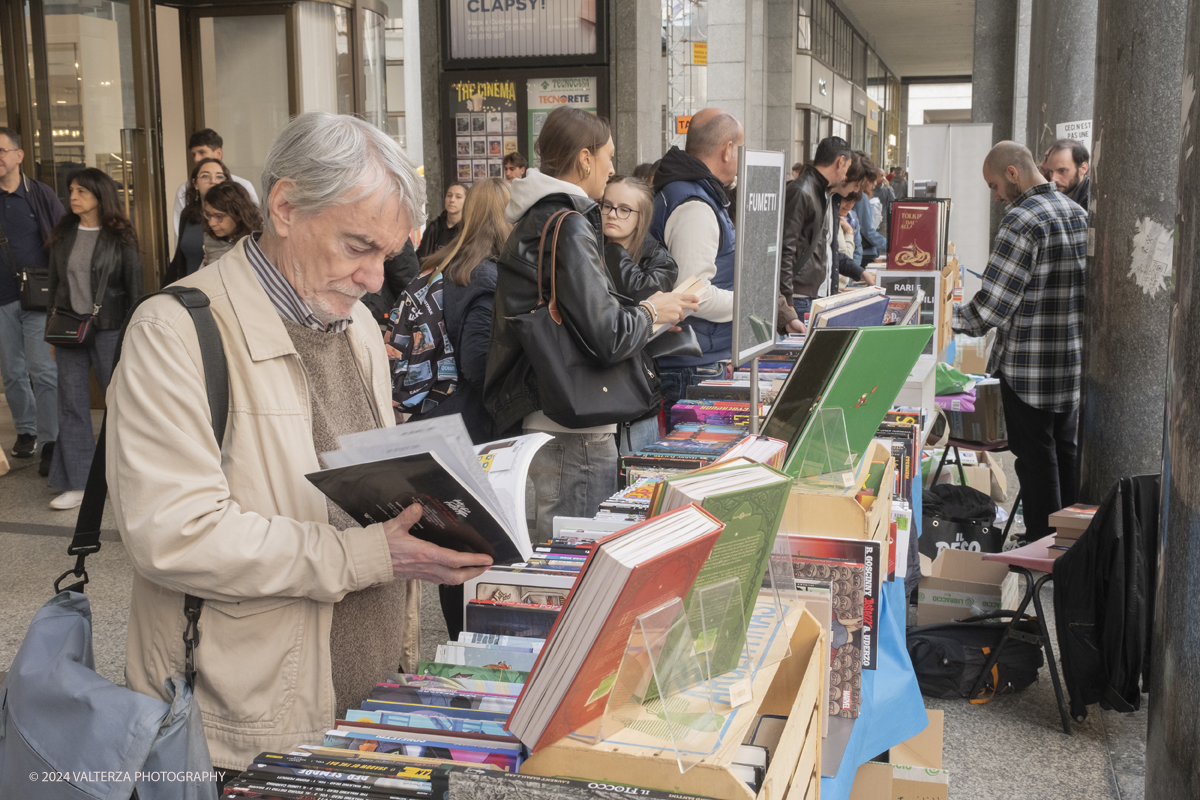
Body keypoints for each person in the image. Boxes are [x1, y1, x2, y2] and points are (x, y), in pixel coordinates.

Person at [107, 112, 493, 781]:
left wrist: (443, 519)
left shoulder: (359, 327)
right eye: (357, 247)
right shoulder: (173, 332)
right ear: (284, 207)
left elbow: (360, 488)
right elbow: (173, 533)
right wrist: (365, 555)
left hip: (367, 707)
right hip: (246, 730)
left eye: (388, 255)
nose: (376, 278)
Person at [486, 107, 697, 544]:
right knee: (573, 563)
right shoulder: (569, 224)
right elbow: (608, 334)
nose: (612, 168)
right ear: (585, 159)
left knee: (558, 552)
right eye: (608, 156)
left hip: (553, 416)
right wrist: (653, 310)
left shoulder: (543, 217)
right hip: (574, 430)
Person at [952, 140, 1087, 543]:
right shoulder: (1078, 213)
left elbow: (991, 308)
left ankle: (1043, 541)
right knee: (1066, 452)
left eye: (994, 185)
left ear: (1013, 173)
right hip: (1071, 361)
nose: (995, 196)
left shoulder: (1021, 220)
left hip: (1028, 367)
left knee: (1034, 459)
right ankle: (1070, 542)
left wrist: (944, 320)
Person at [45, 168, 143, 510]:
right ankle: (78, 482)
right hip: (71, 330)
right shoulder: (64, 234)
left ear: (99, 196)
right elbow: (56, 285)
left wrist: (136, 336)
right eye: (71, 190)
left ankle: (131, 478)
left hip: (111, 329)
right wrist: (51, 334)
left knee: (121, 405)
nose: (73, 196)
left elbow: (135, 290)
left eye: (81, 191)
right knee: (71, 405)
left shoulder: (120, 236)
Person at [649, 108, 745, 423]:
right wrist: (748, 304)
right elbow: (694, 295)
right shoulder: (695, 204)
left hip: (695, 357)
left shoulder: (692, 193)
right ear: (727, 150)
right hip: (693, 364)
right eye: (740, 149)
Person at [395, 176, 508, 444]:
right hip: (466, 423)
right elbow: (476, 362)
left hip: (433, 406)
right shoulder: (486, 278)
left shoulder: (444, 264)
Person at [600, 175, 679, 455]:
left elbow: (641, 293)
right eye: (606, 205)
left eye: (624, 209)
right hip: (592, 395)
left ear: (641, 217)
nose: (612, 215)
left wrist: (613, 251)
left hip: (635, 395)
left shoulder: (659, 259)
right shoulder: (583, 247)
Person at [0, 126, 63, 472]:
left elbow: (60, 240)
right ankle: (26, 431)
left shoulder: (39, 194)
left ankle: (51, 440)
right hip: (2, 300)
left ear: (18, 155)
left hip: (38, 299)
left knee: (43, 370)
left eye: (1, 151)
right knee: (12, 371)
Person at [779, 136, 857, 320]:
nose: (846, 175)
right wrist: (787, 301)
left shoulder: (820, 191)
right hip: (798, 297)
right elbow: (785, 249)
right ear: (840, 161)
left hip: (810, 294)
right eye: (846, 168)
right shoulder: (802, 191)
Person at [171, 128, 258, 236]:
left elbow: (254, 225)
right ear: (195, 184)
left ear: (218, 153)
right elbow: (179, 235)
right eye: (194, 154)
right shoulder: (184, 189)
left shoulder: (243, 186)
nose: (196, 159)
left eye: (202, 152)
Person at [166, 157, 227, 282]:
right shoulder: (187, 214)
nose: (213, 181)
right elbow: (179, 259)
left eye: (219, 176)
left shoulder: (236, 215)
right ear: (195, 184)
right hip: (190, 291)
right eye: (205, 176)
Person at [201, 181, 262, 265]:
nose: (211, 223)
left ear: (239, 215)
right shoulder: (210, 238)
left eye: (219, 216)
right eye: (208, 215)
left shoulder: (261, 241)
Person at [851, 153, 888, 266]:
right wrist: (888, 245)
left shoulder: (860, 197)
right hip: (863, 251)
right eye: (873, 181)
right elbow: (867, 230)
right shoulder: (861, 197)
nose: (875, 184)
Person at [417, 183, 466, 258]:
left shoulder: (469, 229)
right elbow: (421, 254)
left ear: (467, 201)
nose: (452, 200)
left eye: (458, 197)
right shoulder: (434, 226)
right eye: (449, 195)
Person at [1043, 138, 1090, 211]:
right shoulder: (1049, 198)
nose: (1053, 179)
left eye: (1062, 171)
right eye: (1051, 171)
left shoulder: (1093, 203)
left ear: (1083, 168)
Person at [874, 170, 896, 235]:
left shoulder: (887, 188)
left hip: (883, 221)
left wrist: (888, 187)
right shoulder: (870, 188)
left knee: (883, 242)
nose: (882, 178)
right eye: (880, 175)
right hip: (872, 220)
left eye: (883, 175)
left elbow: (893, 201)